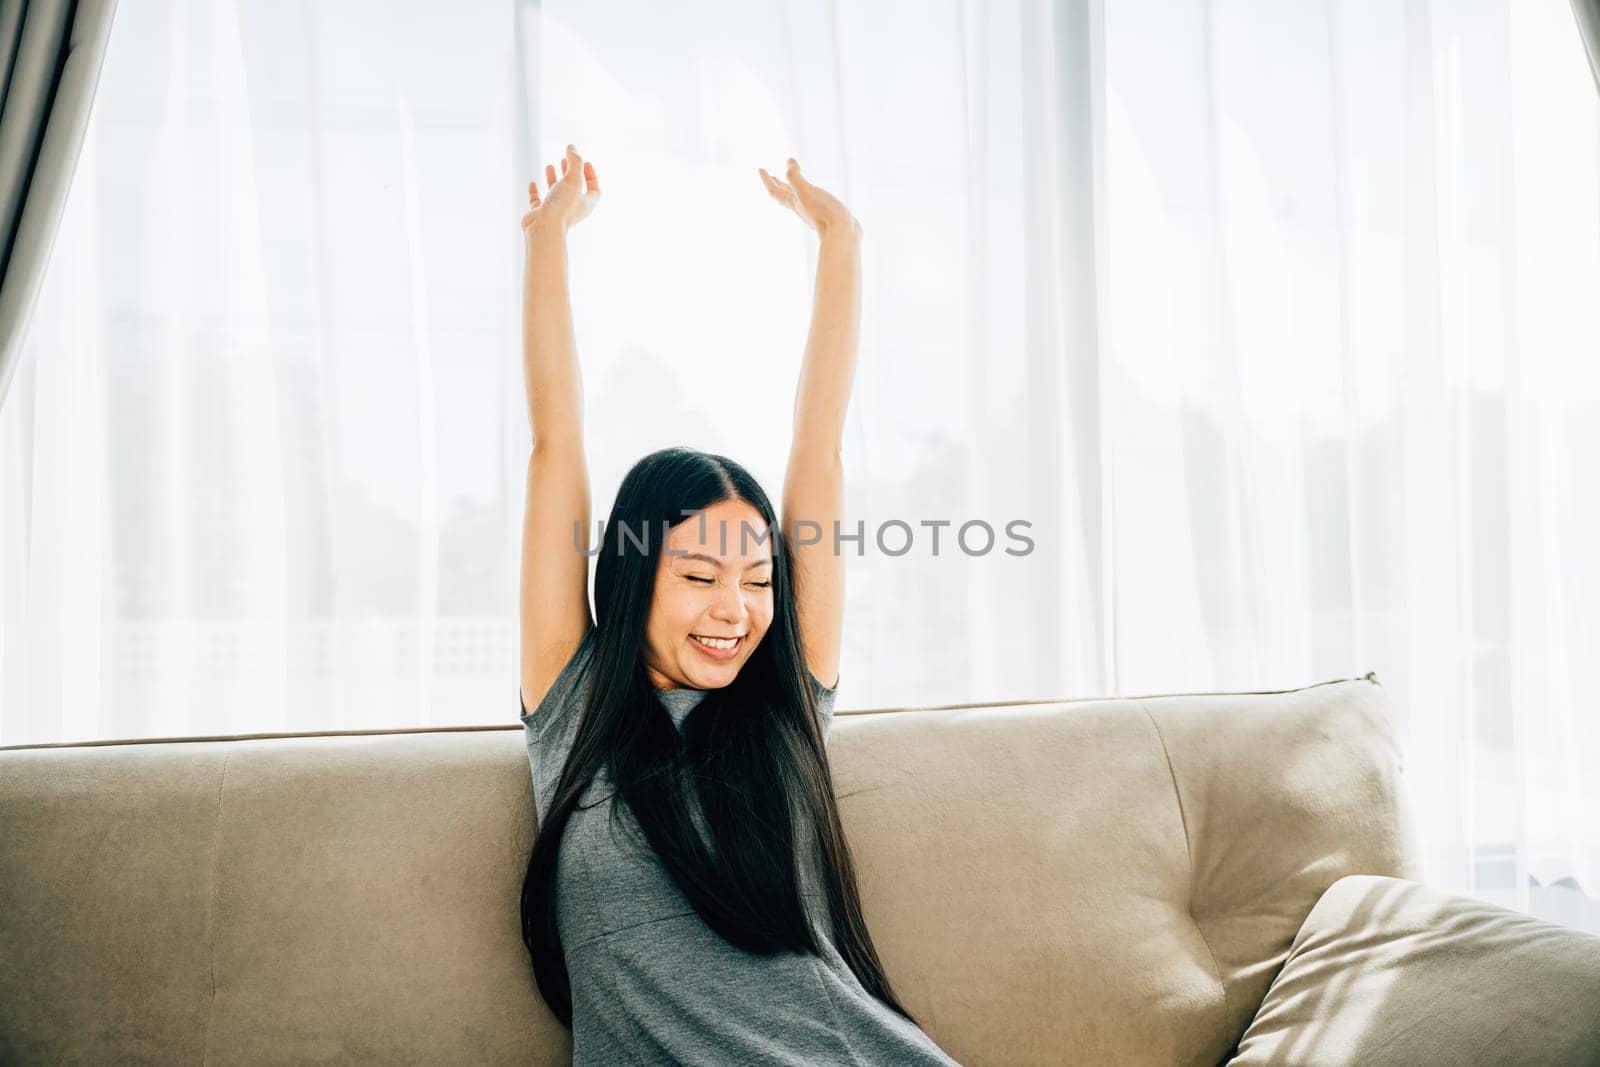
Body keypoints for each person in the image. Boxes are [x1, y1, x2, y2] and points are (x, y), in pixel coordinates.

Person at [515, 144, 961, 1065]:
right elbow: (554, 444)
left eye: (758, 580)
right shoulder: (575, 708)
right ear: (636, 574)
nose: (737, 609)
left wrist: (840, 242)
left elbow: (819, 446)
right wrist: (548, 239)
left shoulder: (783, 706)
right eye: (699, 575)